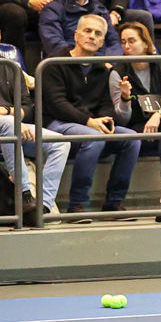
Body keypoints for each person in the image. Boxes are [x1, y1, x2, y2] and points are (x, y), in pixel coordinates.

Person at [44, 14, 140, 215]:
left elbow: (106, 102)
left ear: (103, 41)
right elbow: (57, 104)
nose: (92, 36)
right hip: (57, 122)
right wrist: (90, 122)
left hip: (90, 123)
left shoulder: (104, 68)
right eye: (87, 31)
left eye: (98, 34)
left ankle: (114, 202)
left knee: (132, 139)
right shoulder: (54, 63)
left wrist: (105, 119)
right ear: (76, 35)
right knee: (94, 138)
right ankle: (77, 205)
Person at [109, 22, 161, 211]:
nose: (126, 47)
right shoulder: (117, 73)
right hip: (137, 130)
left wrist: (157, 115)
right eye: (123, 42)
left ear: (146, 43)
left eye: (132, 41)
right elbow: (122, 119)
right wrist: (125, 98)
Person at [0, 42, 68, 224]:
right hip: (9, 125)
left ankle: (43, 206)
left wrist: (8, 112)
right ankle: (24, 196)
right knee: (8, 124)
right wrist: (12, 117)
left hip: (11, 124)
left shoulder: (12, 68)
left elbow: (26, 106)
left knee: (60, 142)